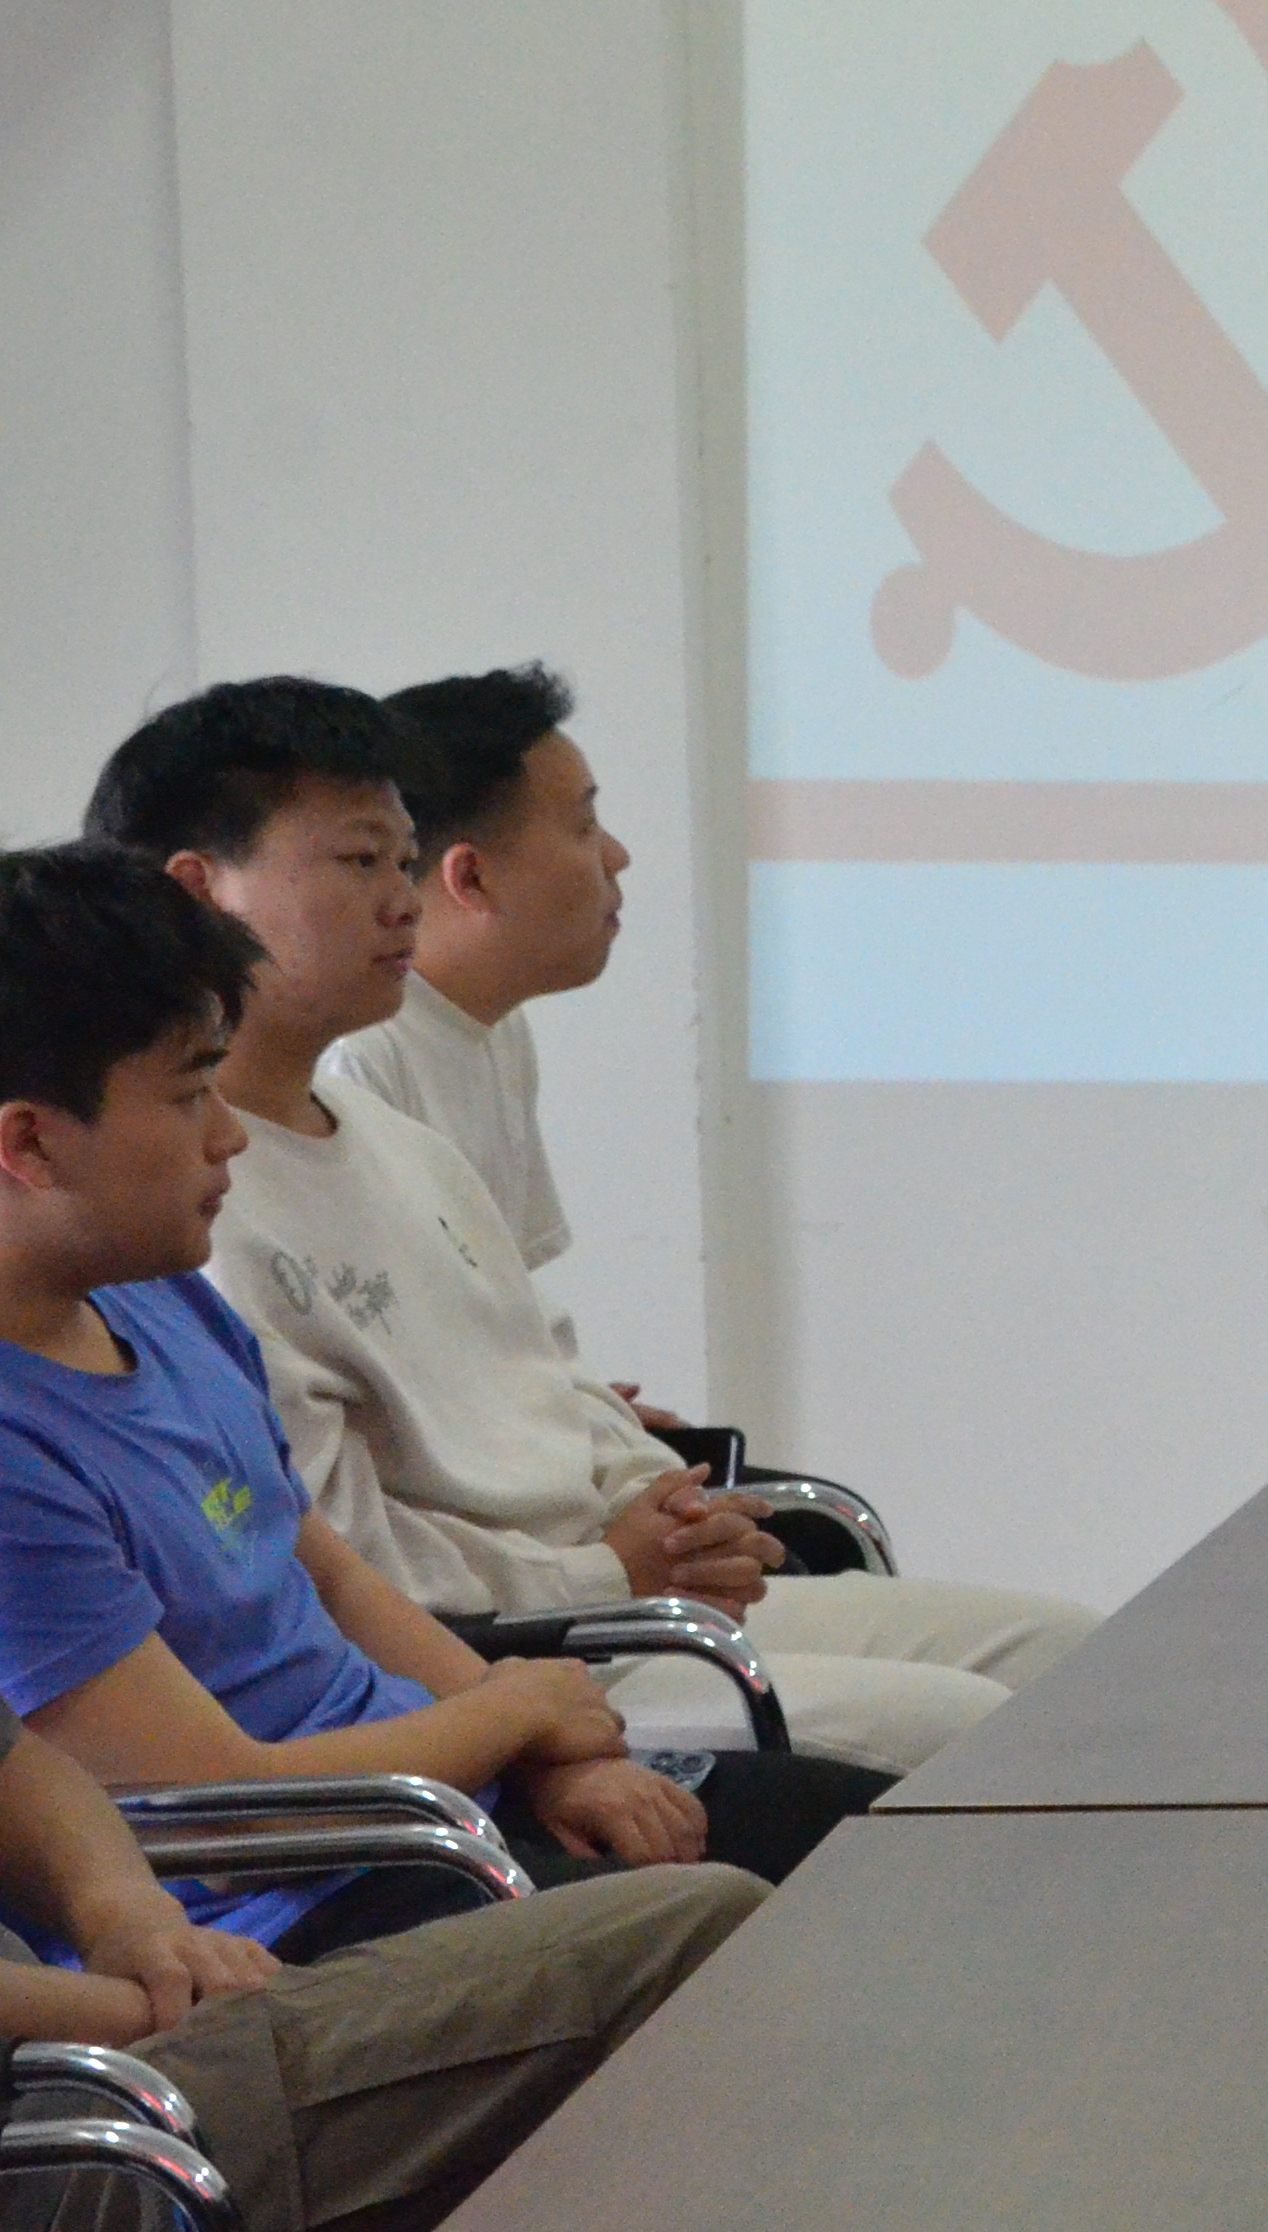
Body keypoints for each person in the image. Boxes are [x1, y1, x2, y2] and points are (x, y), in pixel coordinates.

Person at [91, 684, 1091, 1772]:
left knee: (1073, 1658)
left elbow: (544, 1373)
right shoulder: (183, 1219)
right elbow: (337, 1556)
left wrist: (665, 1502)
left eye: (403, 860)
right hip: (519, 1649)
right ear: (199, 890)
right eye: (359, 861)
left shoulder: (397, 1142)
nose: (402, 900)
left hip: (622, 1596)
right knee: (972, 1727)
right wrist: (608, 1570)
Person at [0, 837, 872, 1938]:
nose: (228, 1138)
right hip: (301, 1901)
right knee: (730, 1934)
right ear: (30, 1144)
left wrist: (552, 1757)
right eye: (187, 1098)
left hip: (439, 1804)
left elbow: (332, 1574)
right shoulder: (17, 1450)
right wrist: (509, 1717)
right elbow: (220, 1798)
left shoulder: (161, 1300)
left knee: (872, 1833)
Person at [0, 1701, 759, 2232]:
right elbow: (240, 1798)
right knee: (694, 1939)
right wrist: (132, 2006)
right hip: (61, 2123)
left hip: (104, 2049)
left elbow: (20, 1764)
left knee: (707, 1922)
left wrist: (126, 1913)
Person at [326, 667, 619, 1299]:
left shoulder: (498, 1026)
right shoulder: (357, 1059)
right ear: (472, 878)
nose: (617, 857)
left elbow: (504, 1304)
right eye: (585, 826)